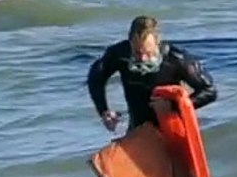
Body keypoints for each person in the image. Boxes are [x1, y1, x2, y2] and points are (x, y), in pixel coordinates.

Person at [87, 15, 217, 133]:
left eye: (148, 52)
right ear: (130, 42)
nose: (143, 58)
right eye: (137, 52)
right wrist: (104, 111)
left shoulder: (176, 59)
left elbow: (209, 91)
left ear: (157, 41)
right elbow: (95, 78)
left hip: (172, 128)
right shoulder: (120, 54)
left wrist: (174, 106)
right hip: (138, 129)